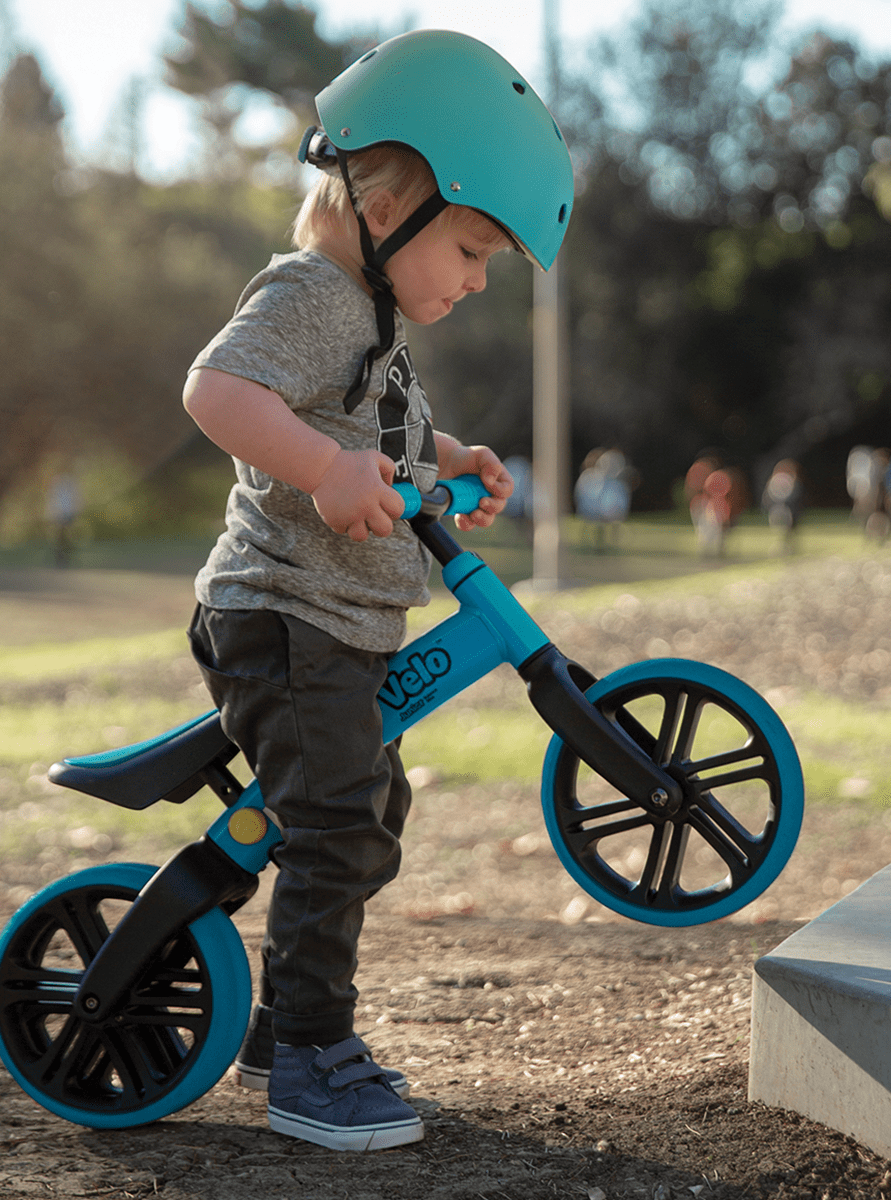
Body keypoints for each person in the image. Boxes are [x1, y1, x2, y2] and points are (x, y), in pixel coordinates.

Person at [181, 29, 574, 1153]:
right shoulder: (312, 292)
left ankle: (276, 1032)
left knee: (364, 817)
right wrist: (322, 472)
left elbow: (365, 427)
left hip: (336, 621)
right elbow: (217, 391)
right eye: (471, 247)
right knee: (336, 820)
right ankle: (309, 1057)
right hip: (283, 612)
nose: (477, 278)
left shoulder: (372, 316)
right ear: (389, 199)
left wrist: (446, 456)